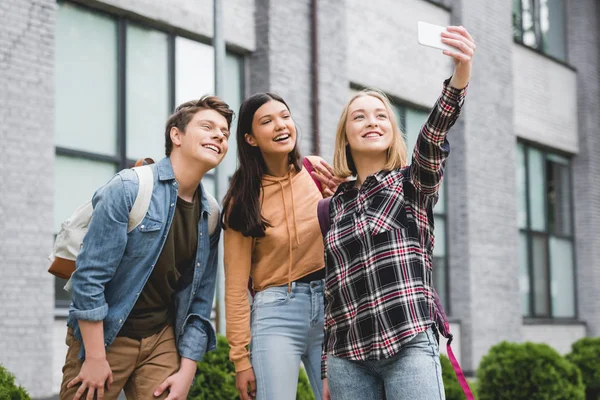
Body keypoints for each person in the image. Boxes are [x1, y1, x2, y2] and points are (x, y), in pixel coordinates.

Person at [321, 26, 476, 400]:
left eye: (381, 116)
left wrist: (459, 76)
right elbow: (332, 293)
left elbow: (433, 136)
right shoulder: (332, 206)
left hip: (407, 342)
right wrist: (327, 368)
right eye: (359, 117)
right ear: (346, 135)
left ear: (392, 131)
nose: (371, 121)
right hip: (347, 357)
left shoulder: (411, 185)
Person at [59, 96, 234, 400]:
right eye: (207, 126)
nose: (219, 135)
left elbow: (200, 300)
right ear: (176, 135)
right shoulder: (129, 188)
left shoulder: (212, 214)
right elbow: (89, 278)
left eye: (224, 132)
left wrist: (186, 372)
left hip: (161, 338)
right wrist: (96, 358)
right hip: (105, 335)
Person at [221, 92, 343, 400]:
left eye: (285, 116)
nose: (280, 125)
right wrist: (240, 359)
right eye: (267, 121)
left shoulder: (316, 172)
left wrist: (343, 196)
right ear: (250, 139)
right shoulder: (242, 200)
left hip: (330, 308)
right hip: (276, 312)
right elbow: (235, 287)